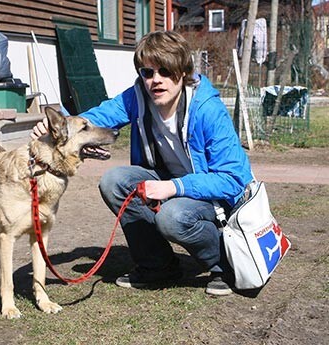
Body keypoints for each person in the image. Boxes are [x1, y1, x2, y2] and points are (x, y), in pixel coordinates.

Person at [31, 30, 253, 296]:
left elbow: (233, 179)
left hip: (215, 195)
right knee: (114, 181)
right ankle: (158, 266)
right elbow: (99, 117)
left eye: (165, 71)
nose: (155, 80)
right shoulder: (138, 96)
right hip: (170, 180)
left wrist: (174, 188)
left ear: (182, 71)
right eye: (147, 73)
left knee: (174, 217)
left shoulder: (207, 109)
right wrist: (59, 122)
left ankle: (225, 265)